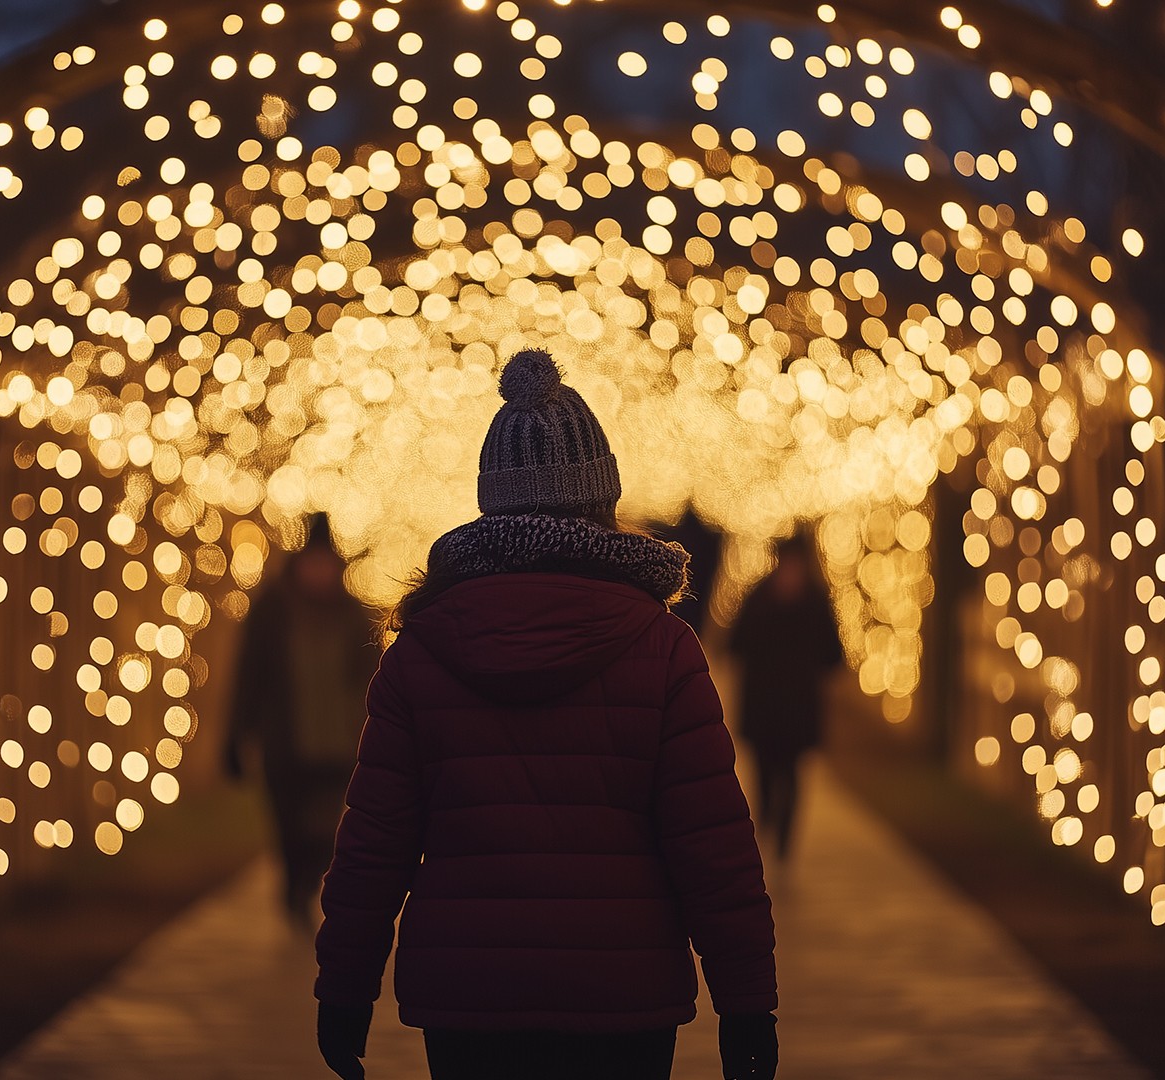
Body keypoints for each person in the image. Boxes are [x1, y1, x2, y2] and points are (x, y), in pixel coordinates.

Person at [314, 348, 777, 1080]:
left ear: (491, 500)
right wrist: (748, 1001)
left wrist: (343, 989)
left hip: (469, 996)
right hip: (623, 994)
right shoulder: (662, 648)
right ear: (602, 499)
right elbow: (712, 844)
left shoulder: (422, 650)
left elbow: (375, 843)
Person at [223, 513, 377, 923]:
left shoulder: (352, 615)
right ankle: (294, 886)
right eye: (314, 563)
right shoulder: (272, 611)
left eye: (327, 564)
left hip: (338, 745)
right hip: (286, 746)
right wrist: (237, 737)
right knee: (289, 827)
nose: (321, 573)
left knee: (326, 830)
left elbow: (372, 677)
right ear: (300, 563)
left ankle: (309, 880)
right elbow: (249, 675)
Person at [729, 531, 843, 861]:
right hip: (764, 706)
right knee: (764, 772)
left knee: (791, 774)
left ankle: (783, 841)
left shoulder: (814, 602)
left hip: (796, 708)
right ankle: (766, 828)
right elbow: (736, 645)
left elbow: (833, 655)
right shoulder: (759, 598)